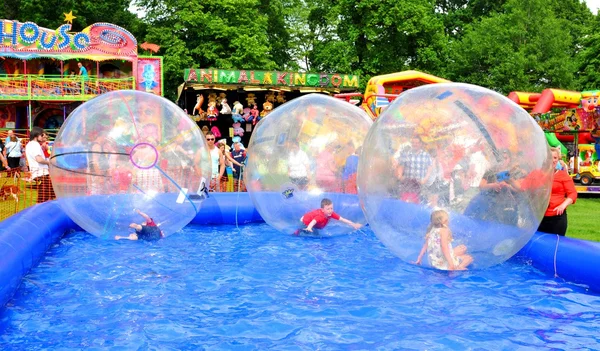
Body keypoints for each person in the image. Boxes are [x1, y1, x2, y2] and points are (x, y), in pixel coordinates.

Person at [537, 147, 577, 236]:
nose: (553, 160)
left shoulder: (563, 176)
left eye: (555, 158)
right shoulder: (537, 174)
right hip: (539, 218)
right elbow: (522, 188)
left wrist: (563, 206)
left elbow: (573, 194)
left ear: (558, 159)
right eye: (550, 157)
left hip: (557, 218)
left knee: (556, 245)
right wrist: (508, 182)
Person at [295, 198, 362, 235]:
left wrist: (354, 224)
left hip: (312, 222)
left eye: (331, 208)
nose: (330, 210)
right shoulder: (320, 216)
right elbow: (313, 221)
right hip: (304, 221)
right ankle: (297, 232)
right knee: (306, 232)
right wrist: (309, 227)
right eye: (328, 209)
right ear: (322, 210)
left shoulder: (331, 213)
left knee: (317, 234)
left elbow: (342, 219)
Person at [25, 126, 55, 203]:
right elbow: (39, 159)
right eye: (41, 135)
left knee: (49, 197)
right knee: (44, 200)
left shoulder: (30, 144)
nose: (43, 137)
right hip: (41, 174)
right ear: (36, 135)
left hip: (40, 174)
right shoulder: (35, 144)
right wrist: (49, 162)